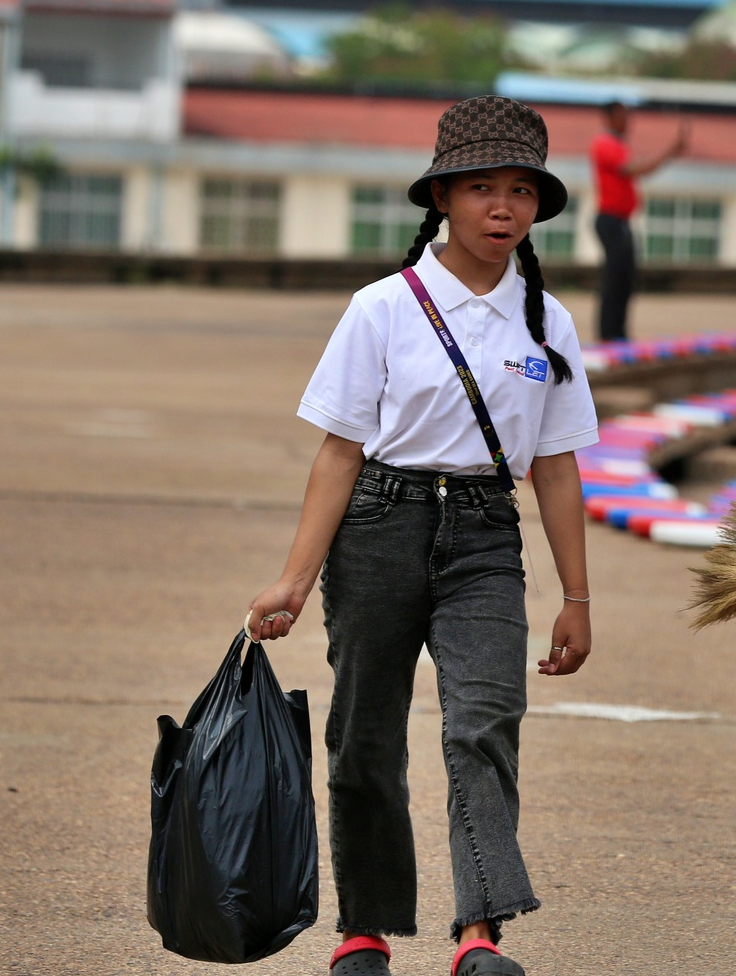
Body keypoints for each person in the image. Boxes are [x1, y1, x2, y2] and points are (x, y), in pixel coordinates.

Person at [246, 96, 599, 976]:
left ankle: (479, 934)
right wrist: (295, 577)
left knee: (485, 720)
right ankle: (363, 928)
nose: (502, 208)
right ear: (441, 197)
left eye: (521, 190)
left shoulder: (547, 322)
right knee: (365, 733)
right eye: (481, 188)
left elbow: (555, 467)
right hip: (379, 525)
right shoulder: (382, 308)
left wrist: (578, 597)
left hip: (485, 535)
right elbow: (338, 452)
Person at [588, 100, 689, 342]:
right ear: (610, 117)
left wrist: (670, 154)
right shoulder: (605, 143)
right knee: (615, 278)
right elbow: (635, 169)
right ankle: (609, 333)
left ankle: (617, 332)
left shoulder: (619, 144)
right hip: (611, 219)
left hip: (620, 220)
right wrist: (669, 151)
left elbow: (639, 169)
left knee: (624, 277)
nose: (628, 121)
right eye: (623, 115)